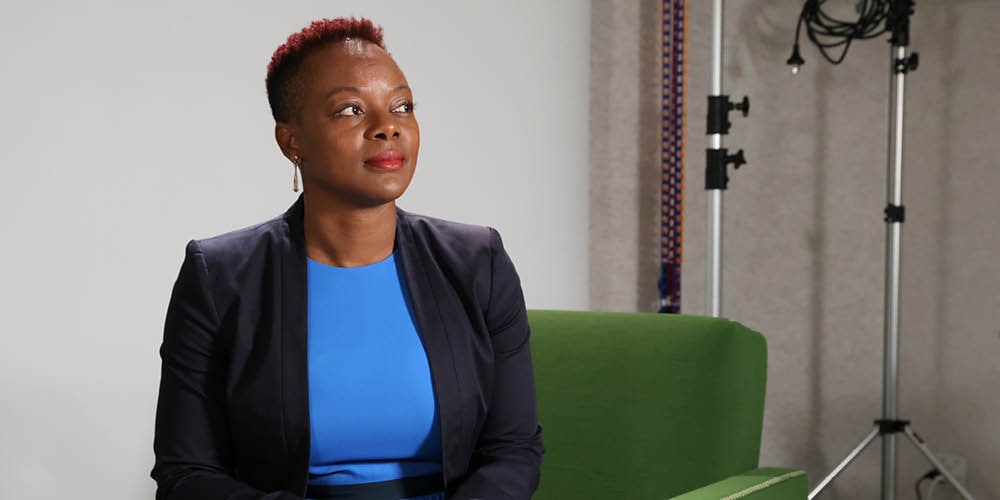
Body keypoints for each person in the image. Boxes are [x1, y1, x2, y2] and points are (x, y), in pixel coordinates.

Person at [151, 17, 543, 500]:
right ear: (292, 142)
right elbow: (185, 473)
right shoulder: (219, 278)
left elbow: (513, 450)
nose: (387, 128)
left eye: (402, 106)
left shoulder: (478, 263)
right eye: (351, 110)